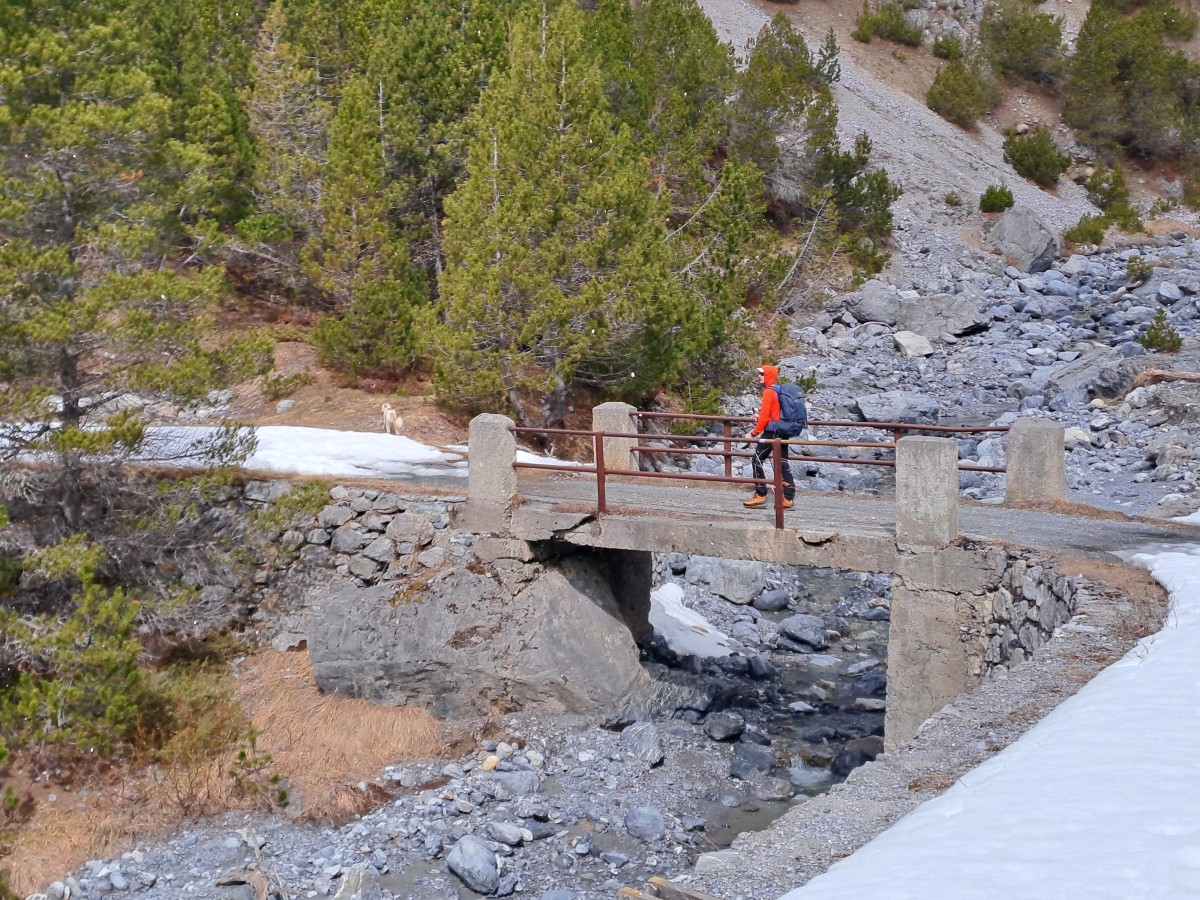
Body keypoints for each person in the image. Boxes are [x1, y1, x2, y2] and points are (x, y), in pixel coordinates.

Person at [743, 364, 796, 509]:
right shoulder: (778, 390)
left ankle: (760, 495)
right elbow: (775, 413)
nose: (759, 377)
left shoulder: (768, 392)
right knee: (782, 462)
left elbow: (766, 418)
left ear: (768, 376)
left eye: (762, 374)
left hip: (771, 433)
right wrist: (760, 417)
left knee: (757, 460)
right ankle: (788, 497)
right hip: (782, 431)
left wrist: (753, 434)